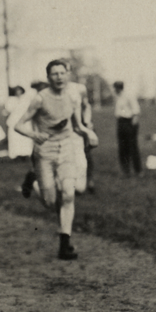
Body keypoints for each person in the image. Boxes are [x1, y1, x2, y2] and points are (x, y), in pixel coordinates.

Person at [15, 59, 98, 260]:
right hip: (45, 151)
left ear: (67, 75)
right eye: (54, 74)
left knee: (69, 194)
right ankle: (33, 180)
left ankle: (64, 244)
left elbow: (77, 126)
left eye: (62, 73)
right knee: (50, 202)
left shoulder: (73, 97)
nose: (59, 77)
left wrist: (88, 133)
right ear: (48, 77)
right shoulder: (40, 99)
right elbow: (18, 125)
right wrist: (34, 135)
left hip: (67, 149)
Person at [112, 81, 142, 176]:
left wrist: (133, 127)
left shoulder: (129, 96)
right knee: (122, 148)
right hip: (121, 123)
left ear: (119, 88)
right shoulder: (118, 98)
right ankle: (126, 170)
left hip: (129, 122)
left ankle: (138, 171)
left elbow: (136, 111)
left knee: (132, 147)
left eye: (116, 88)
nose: (114, 90)